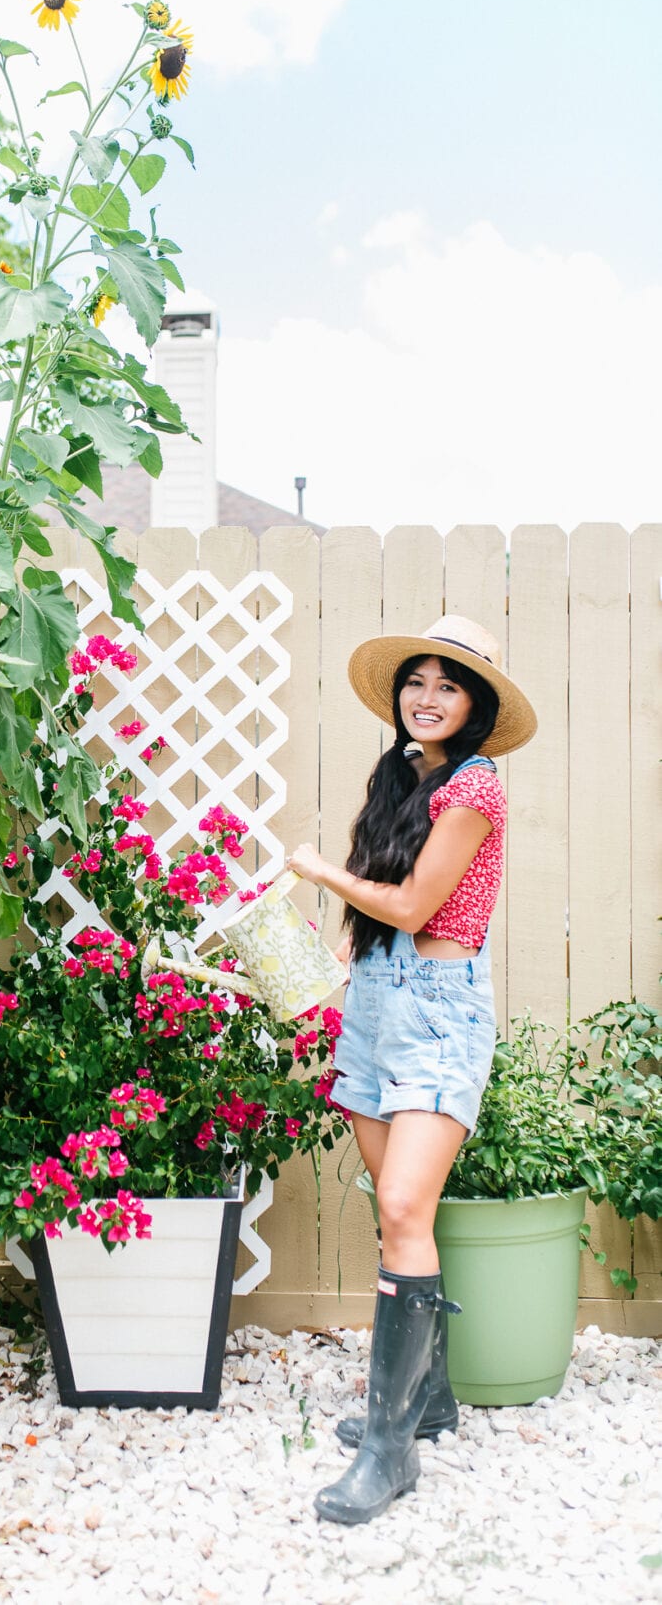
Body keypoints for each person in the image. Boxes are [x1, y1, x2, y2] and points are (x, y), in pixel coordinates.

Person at [285, 614, 537, 1526]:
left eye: (449, 685)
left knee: (402, 1208)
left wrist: (318, 868)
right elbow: (379, 919)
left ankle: (390, 1455)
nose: (425, 697)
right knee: (391, 1201)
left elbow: (413, 902)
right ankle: (427, 1401)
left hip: (439, 1008)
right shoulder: (405, 776)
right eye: (416, 681)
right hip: (378, 1000)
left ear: (476, 707)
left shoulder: (474, 788)